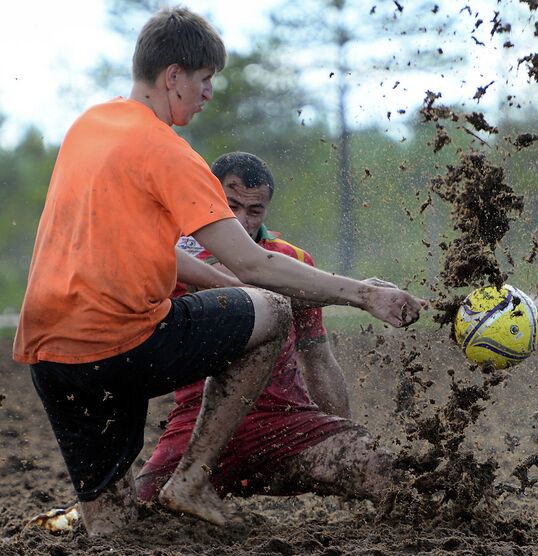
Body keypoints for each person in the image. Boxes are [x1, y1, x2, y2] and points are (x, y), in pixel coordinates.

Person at [13, 7, 424, 537]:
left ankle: (140, 507)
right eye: (205, 80)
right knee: (272, 309)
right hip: (120, 346)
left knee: (114, 533)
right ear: (173, 76)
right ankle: (192, 477)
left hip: (51, 357)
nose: (208, 93)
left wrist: (232, 289)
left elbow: (153, 254)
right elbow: (253, 261)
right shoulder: (169, 152)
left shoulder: (88, 128)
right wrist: (364, 295)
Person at [134, 151, 398, 502]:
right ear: (209, 199)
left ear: (266, 210)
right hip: (197, 433)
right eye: (231, 207)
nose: (242, 220)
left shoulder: (295, 261)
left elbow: (316, 357)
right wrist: (354, 292)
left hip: (285, 426)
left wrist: (341, 429)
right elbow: (236, 281)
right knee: (133, 515)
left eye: (254, 210)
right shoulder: (172, 254)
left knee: (387, 475)